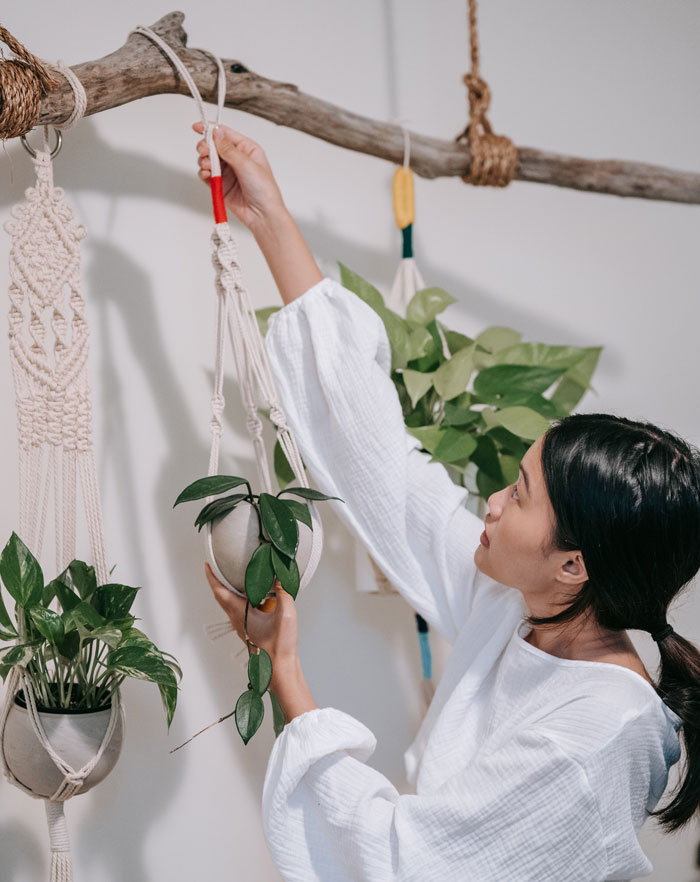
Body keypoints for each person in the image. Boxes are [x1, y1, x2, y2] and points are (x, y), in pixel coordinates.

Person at [192, 121, 700, 882]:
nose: (490, 502)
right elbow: (385, 468)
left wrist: (283, 665)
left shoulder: (597, 736)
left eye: (519, 494)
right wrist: (267, 216)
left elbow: (407, 859)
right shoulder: (521, 608)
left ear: (573, 564)